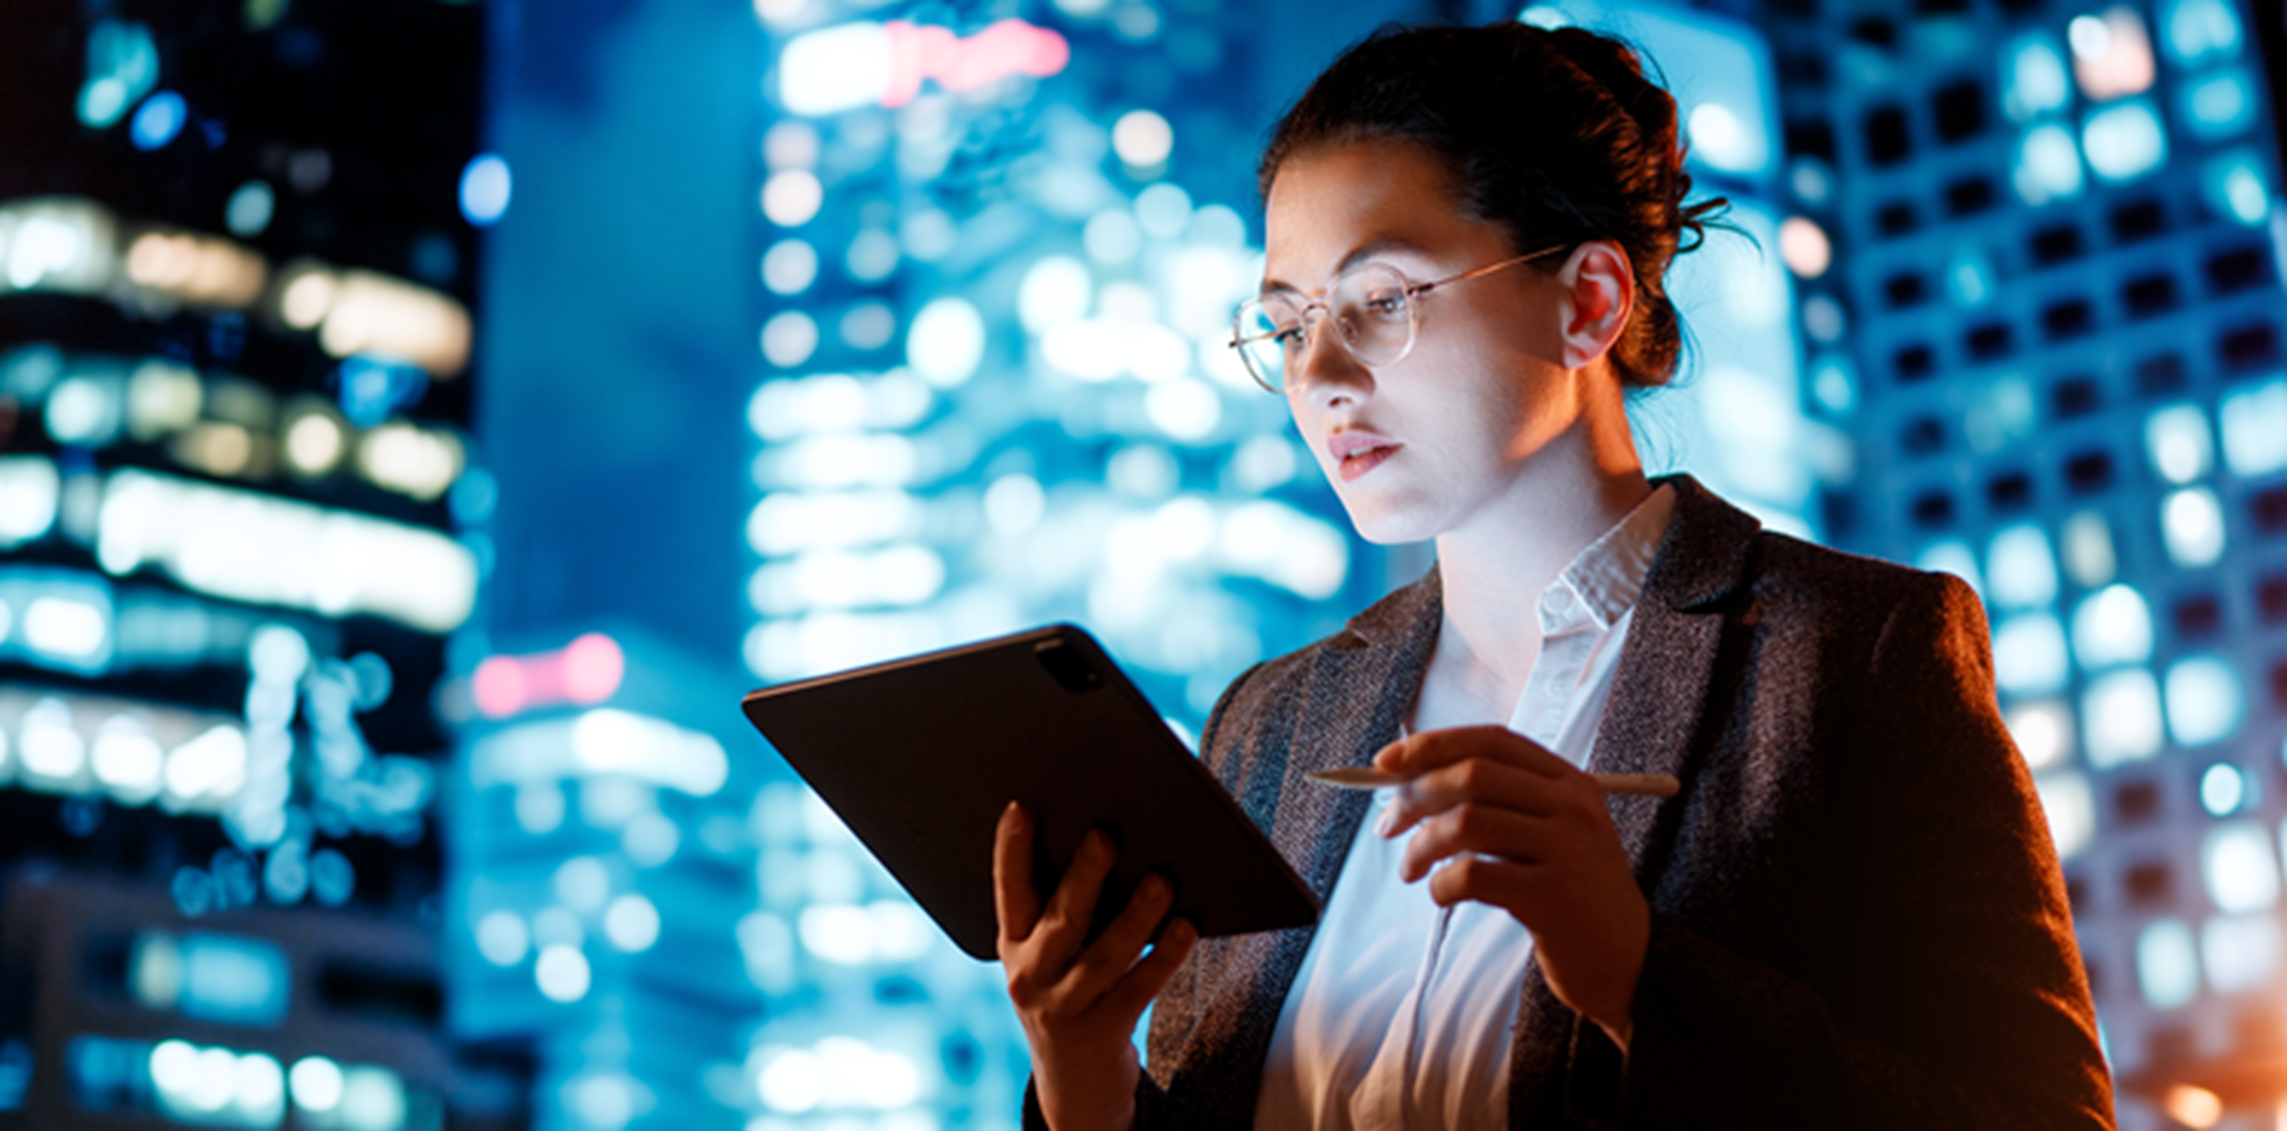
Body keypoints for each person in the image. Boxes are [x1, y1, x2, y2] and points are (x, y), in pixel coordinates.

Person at [992, 20, 2115, 1131]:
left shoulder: (1844, 654)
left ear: (1587, 302)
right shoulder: (1272, 725)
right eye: (1287, 327)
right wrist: (1083, 1081)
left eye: (1381, 300)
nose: (1319, 375)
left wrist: (1639, 976)